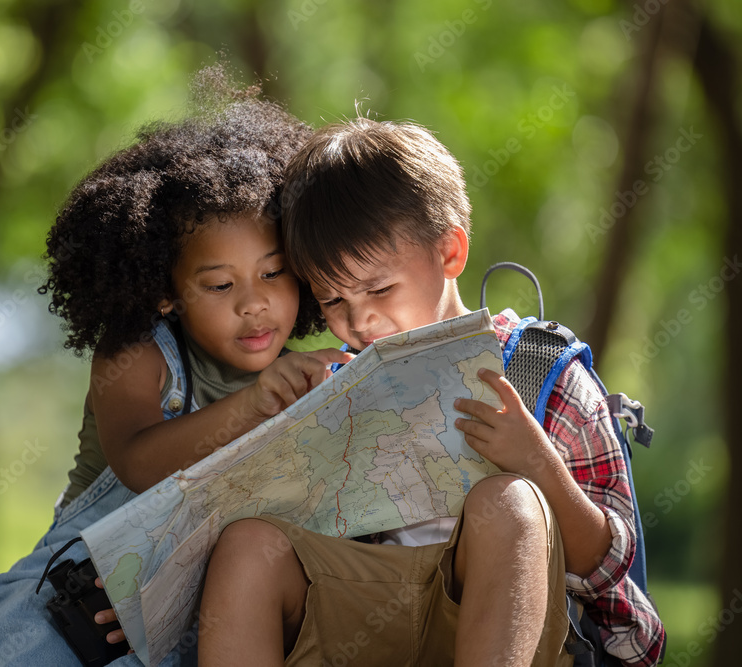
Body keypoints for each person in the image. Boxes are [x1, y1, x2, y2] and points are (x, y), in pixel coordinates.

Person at [198, 117, 666, 667]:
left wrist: (536, 461)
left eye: (379, 288)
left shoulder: (541, 372)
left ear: (449, 252)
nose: (360, 319)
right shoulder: (335, 385)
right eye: (331, 301)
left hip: (520, 629)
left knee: (508, 503)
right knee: (248, 546)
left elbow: (607, 565)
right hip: (374, 620)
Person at [0, 74, 350, 667]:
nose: (254, 303)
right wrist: (257, 404)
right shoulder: (141, 352)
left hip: (193, 632)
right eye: (219, 284)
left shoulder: (311, 383)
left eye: (274, 272)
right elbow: (137, 460)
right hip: (64, 619)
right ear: (166, 293)